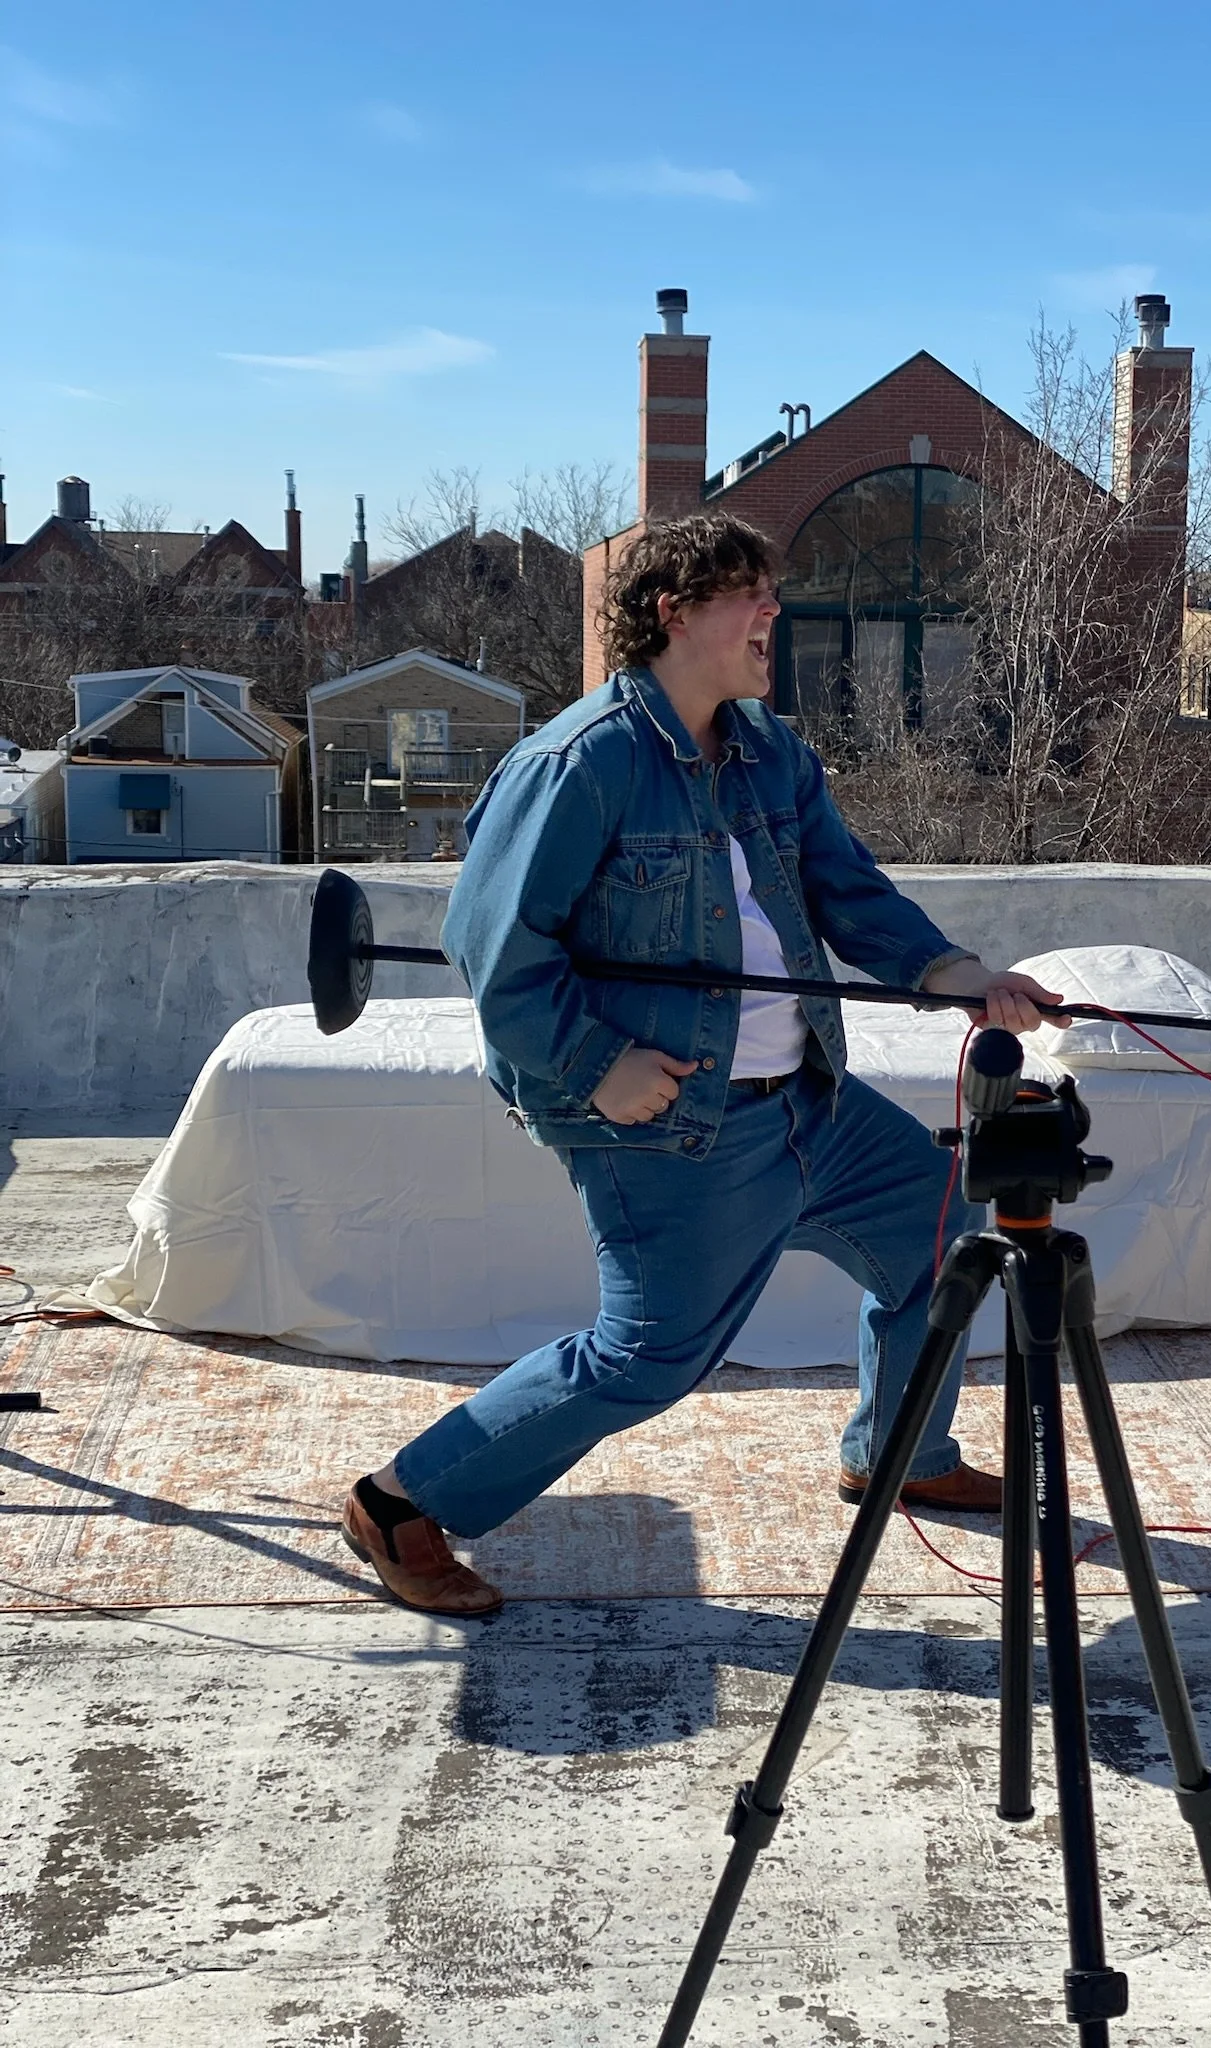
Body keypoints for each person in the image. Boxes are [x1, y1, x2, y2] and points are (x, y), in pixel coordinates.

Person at [341, 514, 1061, 1614]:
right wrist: (598, 1066)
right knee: (647, 1356)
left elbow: (847, 891)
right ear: (674, 612)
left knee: (937, 1226)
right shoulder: (581, 762)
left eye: (773, 591)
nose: (774, 611)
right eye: (748, 593)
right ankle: (398, 1502)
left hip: (810, 1100)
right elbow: (494, 951)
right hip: (672, 1121)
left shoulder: (769, 751)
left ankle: (898, 1450)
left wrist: (956, 972)